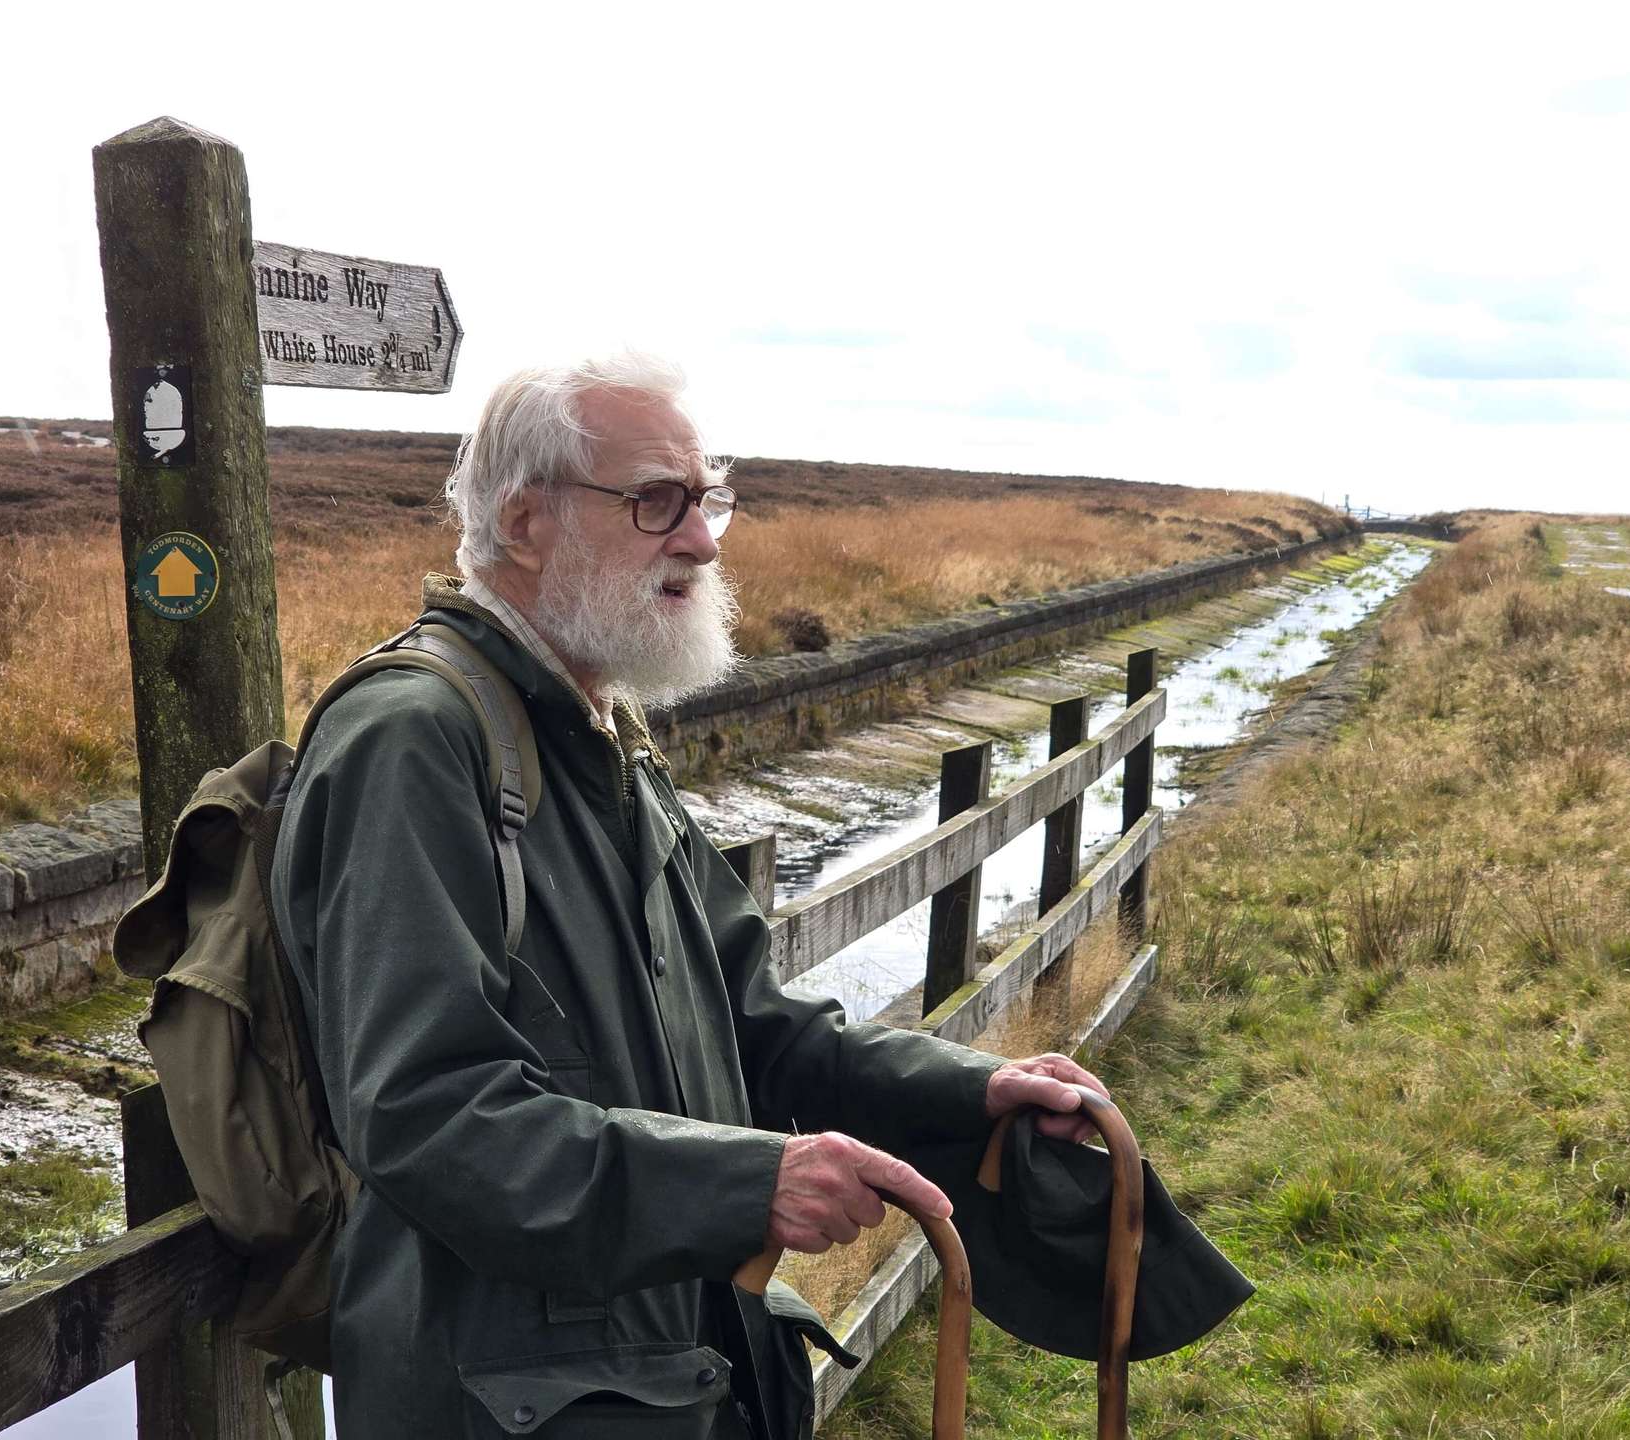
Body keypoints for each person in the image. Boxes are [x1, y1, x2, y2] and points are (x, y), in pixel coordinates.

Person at [269, 353, 1108, 1439]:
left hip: (665, 1380)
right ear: (527, 524)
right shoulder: (415, 742)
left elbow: (755, 1024)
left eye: (707, 500)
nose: (703, 540)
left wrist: (969, 1091)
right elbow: (426, 1116)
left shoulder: (600, 732)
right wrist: (745, 1186)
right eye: (655, 502)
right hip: (508, 1406)